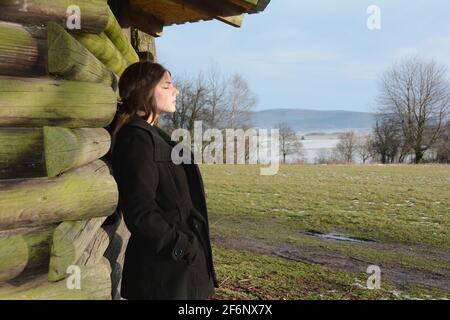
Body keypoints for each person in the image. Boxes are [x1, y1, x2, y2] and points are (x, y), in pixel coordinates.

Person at [109, 61, 218, 300]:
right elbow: (140, 212)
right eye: (167, 85)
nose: (176, 91)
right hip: (163, 275)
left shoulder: (153, 136)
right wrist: (182, 246)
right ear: (144, 90)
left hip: (177, 270)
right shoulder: (137, 140)